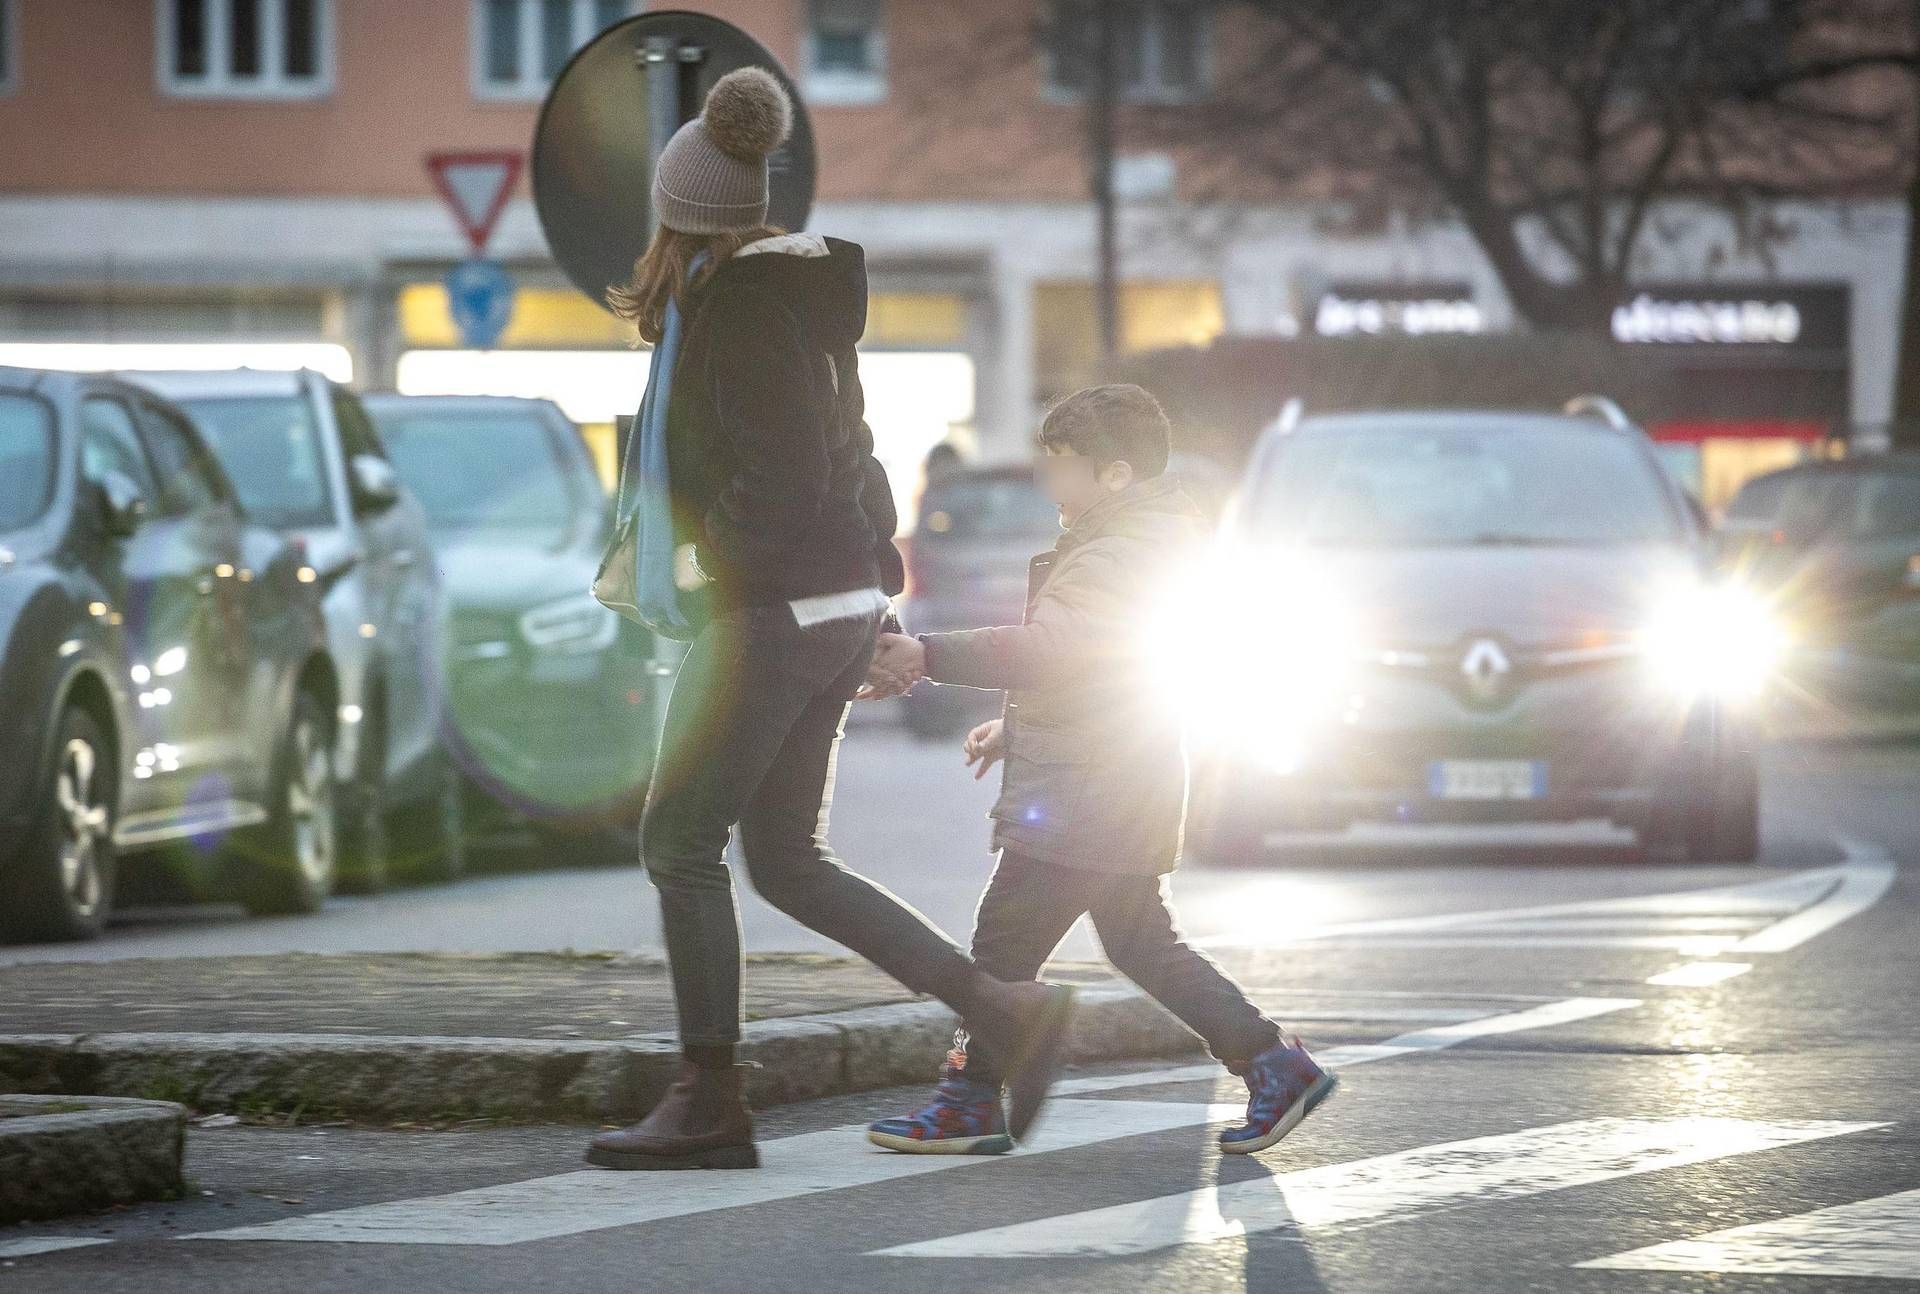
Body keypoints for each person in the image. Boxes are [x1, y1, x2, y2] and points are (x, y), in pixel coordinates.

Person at [585, 69, 1076, 1172]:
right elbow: (856, 471)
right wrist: (860, 594)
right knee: (788, 862)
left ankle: (709, 1096)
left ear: (678, 216)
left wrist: (715, 560)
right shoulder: (798, 305)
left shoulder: (740, 313)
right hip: (833, 603)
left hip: (771, 614)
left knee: (679, 841)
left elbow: (793, 475)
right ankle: (1004, 1010)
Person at [858, 384, 1336, 1156]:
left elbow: (1057, 651)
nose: (1050, 483)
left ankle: (969, 1099)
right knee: (1140, 942)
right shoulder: (1139, 539)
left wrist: (929, 653)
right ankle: (1273, 1063)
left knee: (1002, 947)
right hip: (1114, 778)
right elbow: (1104, 672)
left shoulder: (1117, 552)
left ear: (1114, 474)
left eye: (1062, 466)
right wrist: (1013, 728)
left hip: (1086, 791)